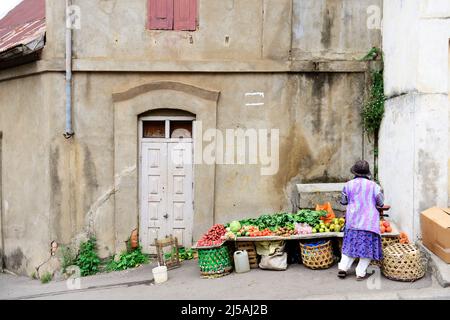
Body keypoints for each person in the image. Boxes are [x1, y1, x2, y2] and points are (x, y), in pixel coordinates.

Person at [338, 160, 384, 281]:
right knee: (367, 248)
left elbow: (343, 201)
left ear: (355, 172)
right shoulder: (374, 186)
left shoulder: (348, 185)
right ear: (367, 173)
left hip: (352, 221)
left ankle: (343, 268)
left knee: (349, 246)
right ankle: (360, 273)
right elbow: (381, 202)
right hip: (369, 223)